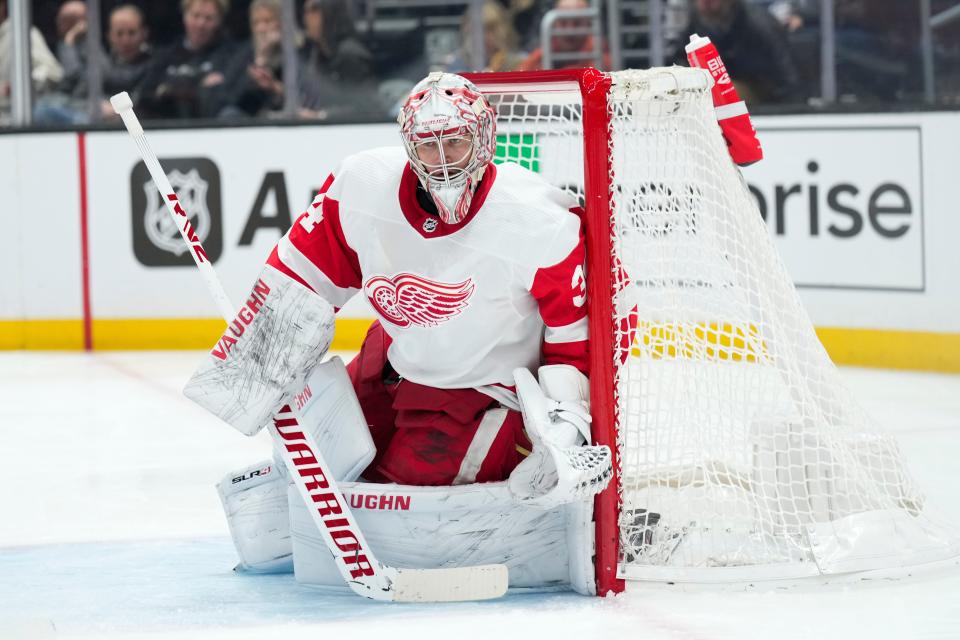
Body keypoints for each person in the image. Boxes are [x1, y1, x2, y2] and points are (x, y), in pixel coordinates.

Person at [264, 73, 590, 486]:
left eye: (455, 141)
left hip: (485, 391)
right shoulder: (363, 185)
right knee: (308, 461)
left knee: (399, 498)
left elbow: (576, 331)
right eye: (428, 146)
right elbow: (304, 276)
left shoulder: (538, 220)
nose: (444, 159)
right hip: (394, 361)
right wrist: (264, 360)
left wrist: (567, 414)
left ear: (484, 138)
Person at [36, 4, 152, 124]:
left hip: (124, 122)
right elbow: (77, 86)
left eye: (131, 33)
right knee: (44, 107)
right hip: (87, 111)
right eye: (119, 34)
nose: (125, 40)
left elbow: (142, 101)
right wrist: (69, 42)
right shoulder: (103, 57)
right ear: (110, 36)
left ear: (144, 33)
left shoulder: (151, 65)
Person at [670, 0, 803, 104]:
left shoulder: (759, 24)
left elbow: (787, 75)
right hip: (717, 89)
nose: (705, 2)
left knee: (724, 91)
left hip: (762, 94)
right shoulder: (697, 21)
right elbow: (680, 58)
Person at [136, 0, 235, 119]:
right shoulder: (165, 56)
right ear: (185, 16)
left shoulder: (229, 56)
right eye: (196, 15)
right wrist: (199, 85)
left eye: (208, 18)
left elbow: (223, 96)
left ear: (219, 21)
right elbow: (145, 95)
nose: (201, 24)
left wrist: (168, 89)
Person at [297, 0, 378, 120]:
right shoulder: (317, 54)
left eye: (314, 10)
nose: (306, 17)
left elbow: (364, 107)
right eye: (306, 11)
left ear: (331, 13)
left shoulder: (350, 56)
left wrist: (320, 116)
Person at [0, 0, 63, 123]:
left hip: (14, 121)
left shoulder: (20, 33)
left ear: (2, 6)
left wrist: (14, 87)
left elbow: (52, 72)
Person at [220, 0, 284, 117]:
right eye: (256, 23)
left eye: (267, 21)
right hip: (251, 121)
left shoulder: (297, 51)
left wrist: (275, 87)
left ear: (281, 22)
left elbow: (307, 93)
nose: (261, 28)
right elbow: (229, 97)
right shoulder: (245, 53)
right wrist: (261, 59)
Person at [515, 0, 609, 72]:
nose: (569, 31)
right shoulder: (540, 56)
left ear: (588, 25)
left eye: (577, 23)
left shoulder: (601, 58)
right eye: (563, 23)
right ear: (554, 24)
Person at [443, 1, 527, 73]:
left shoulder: (519, 61)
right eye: (475, 30)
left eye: (489, 29)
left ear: (502, 31)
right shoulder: (455, 63)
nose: (482, 37)